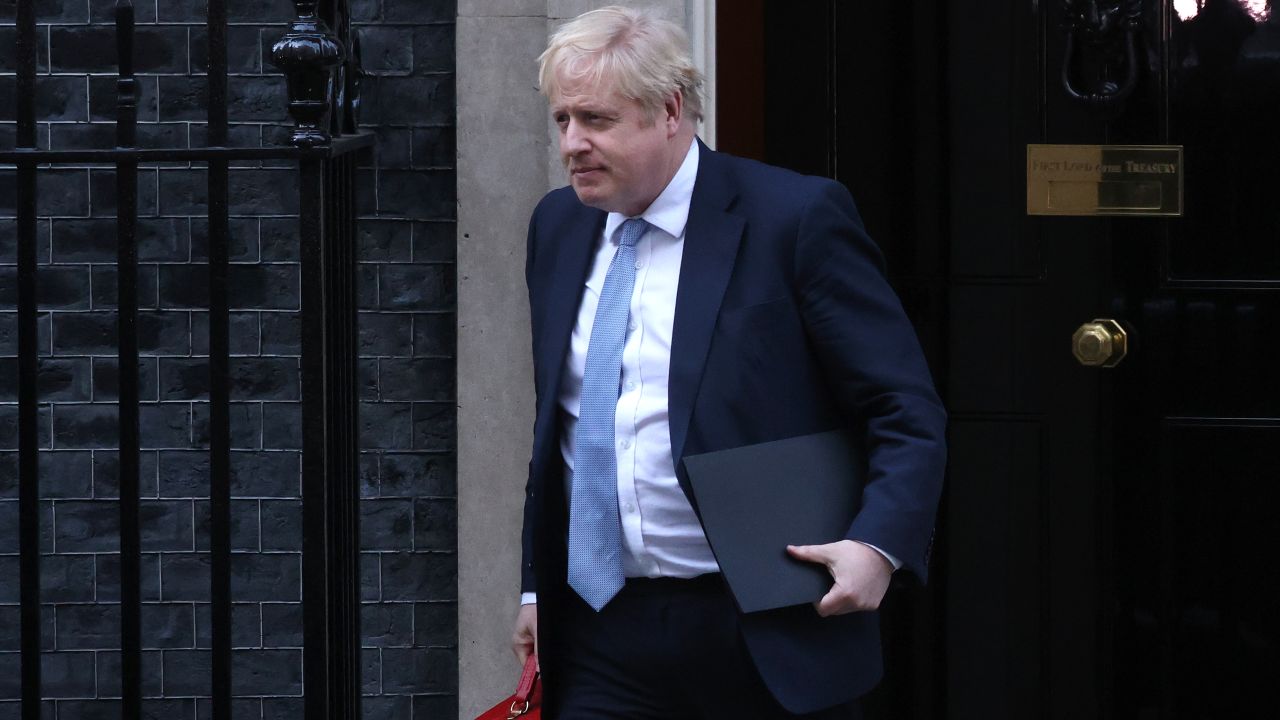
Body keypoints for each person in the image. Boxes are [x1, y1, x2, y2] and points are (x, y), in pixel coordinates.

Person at [511, 7, 946, 719]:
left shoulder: (794, 218)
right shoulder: (557, 226)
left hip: (763, 626)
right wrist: (536, 585)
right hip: (599, 632)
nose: (573, 143)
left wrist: (878, 544)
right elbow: (558, 426)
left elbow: (903, 408)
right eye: (561, 120)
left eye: (596, 119)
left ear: (672, 109)